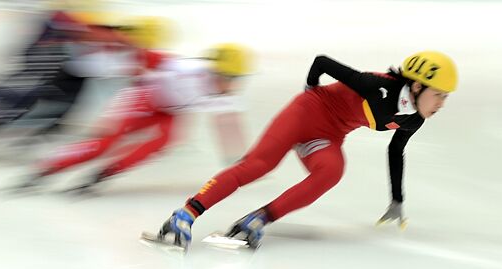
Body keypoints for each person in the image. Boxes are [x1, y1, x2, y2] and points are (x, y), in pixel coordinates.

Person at [149, 51, 458, 250]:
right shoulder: (378, 86)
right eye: (439, 95)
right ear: (416, 87)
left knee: (332, 172)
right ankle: (185, 213)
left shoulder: (416, 117)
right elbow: (322, 62)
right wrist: (311, 92)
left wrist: (397, 200)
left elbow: (395, 151)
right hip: (305, 113)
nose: (442, 104)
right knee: (259, 165)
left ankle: (258, 219)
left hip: (328, 135)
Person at [9, 43, 253, 193]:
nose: (232, 85)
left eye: (238, 79)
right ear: (213, 70)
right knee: (104, 144)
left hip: (169, 111)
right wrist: (131, 73)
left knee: (164, 142)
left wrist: (236, 157)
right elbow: (144, 53)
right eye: (229, 77)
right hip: (143, 98)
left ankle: (107, 172)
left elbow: (227, 122)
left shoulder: (227, 94)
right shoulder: (185, 68)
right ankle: (46, 169)